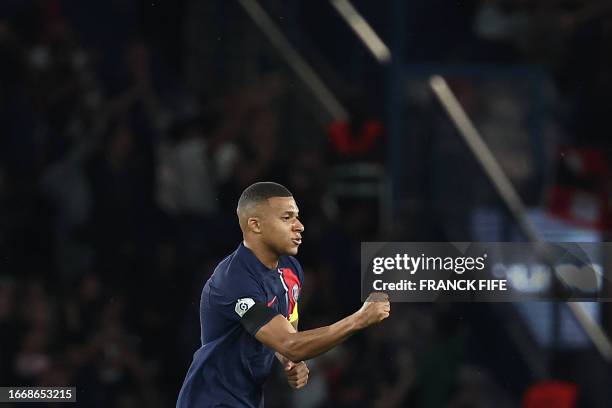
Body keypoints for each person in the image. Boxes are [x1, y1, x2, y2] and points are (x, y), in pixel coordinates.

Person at [176, 182, 390, 408]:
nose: (300, 226)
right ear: (255, 225)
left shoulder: (291, 269)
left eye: (297, 217)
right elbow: (290, 343)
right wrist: (359, 319)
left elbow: (286, 333)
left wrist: (289, 361)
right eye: (287, 218)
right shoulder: (233, 281)